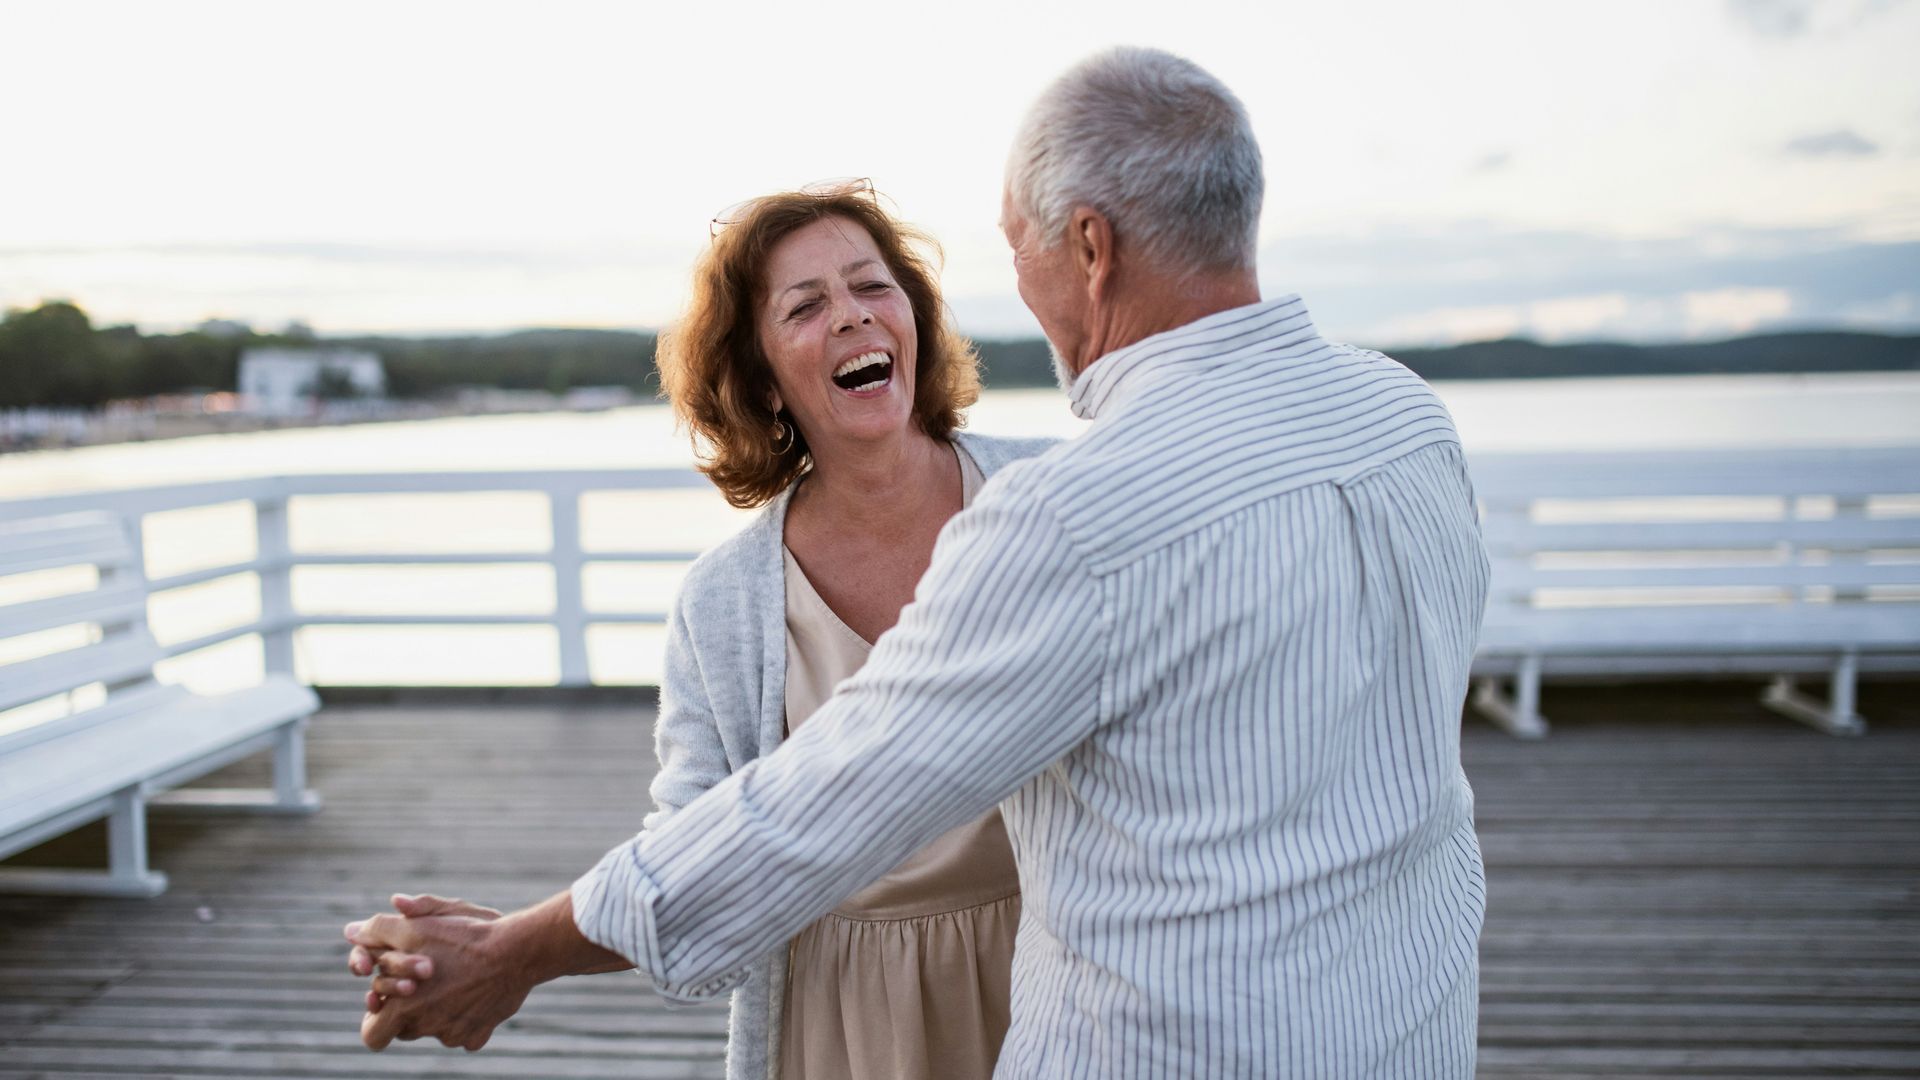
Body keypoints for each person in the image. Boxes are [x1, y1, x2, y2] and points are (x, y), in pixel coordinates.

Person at [348, 46, 1491, 1077]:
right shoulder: (1404, 419)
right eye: (806, 305)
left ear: (1089, 248)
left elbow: (818, 806)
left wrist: (513, 953)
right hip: (1408, 1030)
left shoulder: (1069, 519)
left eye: (1019, 243)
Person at [350, 182, 1053, 1079]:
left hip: (1060, 979)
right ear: (761, 376)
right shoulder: (724, 601)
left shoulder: (1047, 498)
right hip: (836, 1025)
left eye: (872, 287)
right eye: (805, 305)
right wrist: (521, 940)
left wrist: (524, 948)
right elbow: (696, 856)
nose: (850, 317)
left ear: (912, 318)